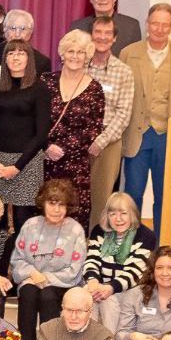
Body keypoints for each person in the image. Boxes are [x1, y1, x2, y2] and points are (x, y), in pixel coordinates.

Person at [120, 3, 171, 226]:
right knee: (133, 193)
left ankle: (161, 242)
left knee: (164, 195)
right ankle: (130, 239)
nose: (159, 29)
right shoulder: (129, 53)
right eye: (155, 23)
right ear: (147, 23)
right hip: (137, 135)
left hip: (167, 136)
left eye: (165, 25)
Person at [11, 179, 88, 340]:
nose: (56, 209)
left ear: (68, 207)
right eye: (52, 203)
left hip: (62, 283)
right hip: (32, 279)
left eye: (61, 204)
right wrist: (31, 273)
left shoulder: (75, 230)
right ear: (43, 203)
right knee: (28, 293)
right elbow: (17, 259)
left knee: (47, 295)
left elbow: (75, 269)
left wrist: (45, 278)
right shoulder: (30, 225)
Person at [0, 40, 53, 226]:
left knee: (24, 221)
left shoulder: (40, 88)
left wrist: (17, 167)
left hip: (27, 163)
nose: (15, 57)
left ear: (29, 58)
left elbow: (41, 133)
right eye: (11, 53)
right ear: (5, 59)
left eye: (21, 53)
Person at [42, 30, 107, 218]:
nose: (75, 56)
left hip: (76, 164)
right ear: (62, 54)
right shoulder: (45, 81)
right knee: (45, 210)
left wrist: (63, 149)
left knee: (74, 212)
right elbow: (34, 119)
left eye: (81, 52)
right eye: (71, 51)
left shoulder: (95, 89)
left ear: (87, 56)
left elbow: (94, 128)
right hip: (44, 160)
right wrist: (46, 146)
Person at [77, 17, 135, 225]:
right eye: (98, 32)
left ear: (114, 38)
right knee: (74, 194)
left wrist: (100, 141)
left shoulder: (124, 71)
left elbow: (123, 114)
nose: (102, 37)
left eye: (107, 33)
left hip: (108, 142)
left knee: (100, 198)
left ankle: (94, 238)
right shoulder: (80, 66)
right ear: (91, 35)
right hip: (78, 139)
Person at [83, 192, 157, 324]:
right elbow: (92, 260)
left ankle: (109, 338)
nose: (118, 219)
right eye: (112, 214)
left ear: (132, 214)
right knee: (84, 296)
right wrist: (93, 282)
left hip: (128, 290)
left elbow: (134, 272)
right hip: (99, 286)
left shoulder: (145, 236)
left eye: (123, 213)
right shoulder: (99, 231)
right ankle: (87, 336)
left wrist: (110, 288)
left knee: (108, 300)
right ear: (107, 216)